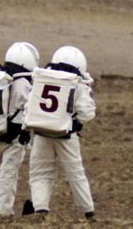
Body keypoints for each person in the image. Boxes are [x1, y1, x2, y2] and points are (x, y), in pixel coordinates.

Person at [25, 46, 96, 219]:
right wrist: (76, 120)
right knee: (75, 173)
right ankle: (88, 212)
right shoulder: (75, 83)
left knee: (40, 172)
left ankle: (40, 210)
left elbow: (29, 106)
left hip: (41, 133)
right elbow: (87, 113)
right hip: (65, 135)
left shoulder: (41, 79)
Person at [0, 42, 39, 215]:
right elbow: (27, 108)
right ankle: (3, 213)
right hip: (13, 139)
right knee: (8, 175)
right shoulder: (23, 83)